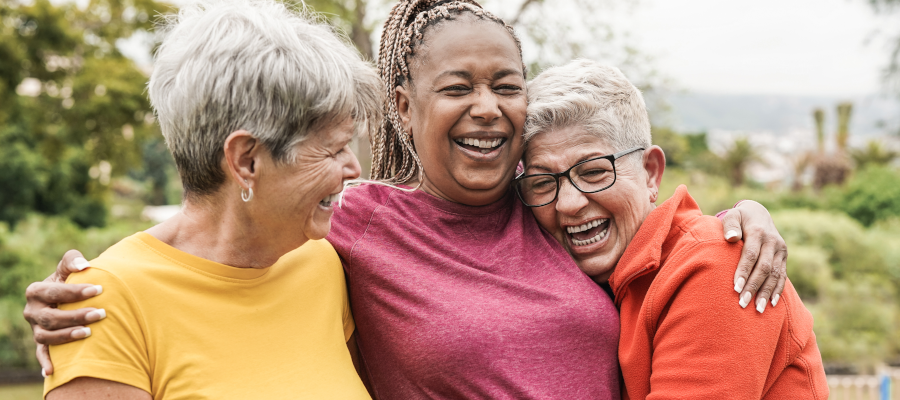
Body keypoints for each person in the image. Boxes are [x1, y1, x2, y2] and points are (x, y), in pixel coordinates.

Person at [25, 1, 790, 398]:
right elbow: (223, 226)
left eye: (507, 86)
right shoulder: (354, 226)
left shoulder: (548, 208)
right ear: (402, 105)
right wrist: (95, 283)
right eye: (457, 88)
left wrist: (738, 220)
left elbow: (637, 219)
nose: (488, 108)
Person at [34, 0, 381, 398]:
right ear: (246, 161)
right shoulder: (104, 302)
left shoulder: (320, 261)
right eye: (334, 150)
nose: (354, 168)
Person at [518, 59, 828, 398]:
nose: (568, 203)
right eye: (543, 182)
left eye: (593, 172)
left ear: (651, 173)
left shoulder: (713, 267)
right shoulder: (605, 277)